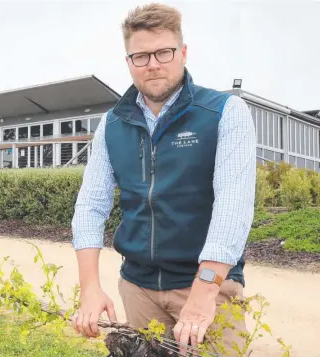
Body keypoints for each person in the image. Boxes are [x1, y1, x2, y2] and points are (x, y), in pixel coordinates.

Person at [70, 2, 256, 354]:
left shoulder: (224, 113)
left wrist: (203, 293)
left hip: (206, 287)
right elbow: (91, 205)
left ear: (183, 53)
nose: (153, 64)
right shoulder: (111, 124)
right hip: (138, 288)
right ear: (129, 62)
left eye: (164, 52)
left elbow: (233, 207)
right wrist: (89, 286)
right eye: (140, 56)